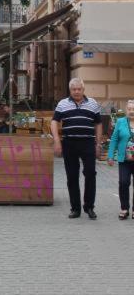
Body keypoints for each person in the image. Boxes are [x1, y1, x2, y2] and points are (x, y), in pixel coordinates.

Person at [51, 78, 102, 220]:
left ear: (83, 89)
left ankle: (89, 207)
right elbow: (54, 122)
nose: (77, 91)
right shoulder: (63, 104)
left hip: (88, 143)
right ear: (70, 90)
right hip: (69, 143)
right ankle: (75, 208)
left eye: (79, 89)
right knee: (72, 177)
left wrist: (98, 144)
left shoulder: (93, 104)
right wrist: (56, 141)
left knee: (90, 174)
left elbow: (98, 124)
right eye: (74, 89)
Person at [107, 100, 134, 219]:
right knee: (123, 182)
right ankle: (124, 208)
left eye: (133, 109)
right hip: (124, 159)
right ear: (126, 110)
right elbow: (114, 140)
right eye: (129, 109)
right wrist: (110, 156)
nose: (131, 111)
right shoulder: (120, 122)